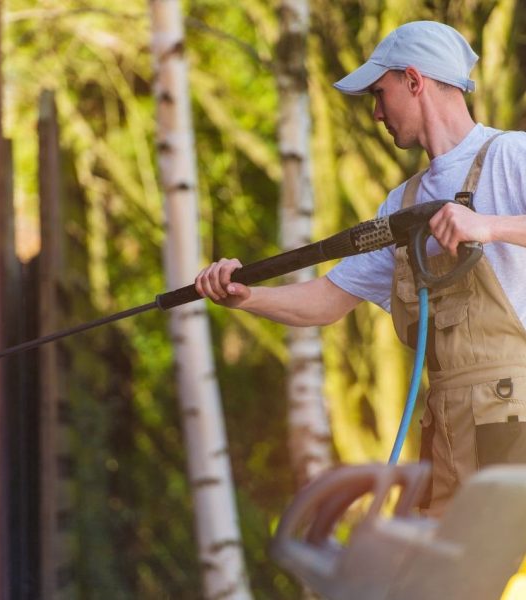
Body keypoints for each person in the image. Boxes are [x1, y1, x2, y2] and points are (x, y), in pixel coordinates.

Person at [194, 20, 526, 516]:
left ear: (414, 81)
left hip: (513, 413)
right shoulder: (401, 206)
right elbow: (328, 300)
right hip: (445, 427)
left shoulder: (510, 155)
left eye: (379, 93)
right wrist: (247, 298)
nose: (374, 114)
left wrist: (490, 227)